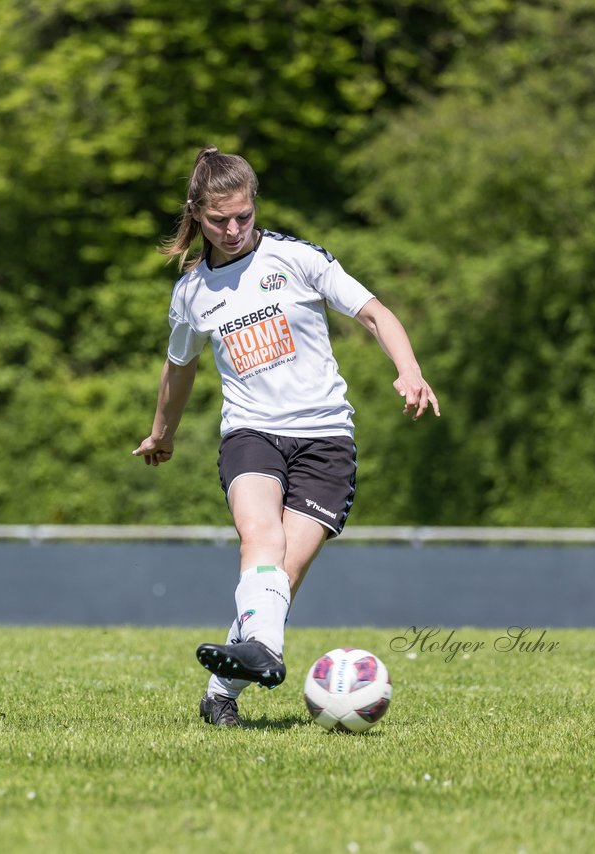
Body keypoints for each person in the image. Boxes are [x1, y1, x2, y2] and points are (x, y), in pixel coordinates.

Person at [131, 146, 440, 728]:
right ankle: (266, 653)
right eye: (219, 219)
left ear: (255, 206)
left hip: (326, 439)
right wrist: (160, 434)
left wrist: (410, 369)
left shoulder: (296, 259)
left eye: (243, 216)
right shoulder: (191, 294)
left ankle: (221, 692)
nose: (232, 229)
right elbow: (179, 369)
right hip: (252, 433)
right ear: (197, 215)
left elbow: (375, 313)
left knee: (278, 579)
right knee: (260, 541)